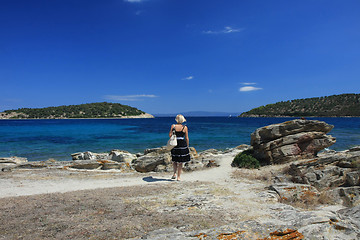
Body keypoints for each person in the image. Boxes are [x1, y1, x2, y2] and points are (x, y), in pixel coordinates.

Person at [169, 114, 190, 181]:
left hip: (175, 144)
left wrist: (174, 134)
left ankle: (174, 173)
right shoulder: (185, 127)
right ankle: (178, 177)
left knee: (175, 160)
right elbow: (186, 138)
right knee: (180, 162)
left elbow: (170, 135)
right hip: (182, 144)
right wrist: (187, 145)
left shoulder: (173, 126)